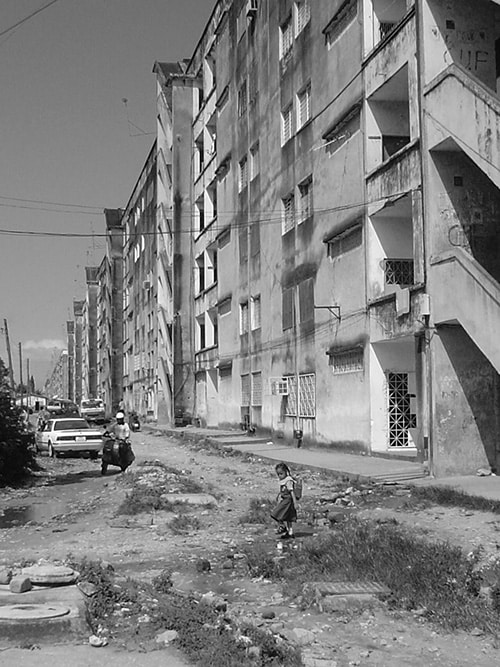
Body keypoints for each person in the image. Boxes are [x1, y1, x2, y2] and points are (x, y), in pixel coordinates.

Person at [270, 462, 298, 539]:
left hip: (288, 501)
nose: (280, 476)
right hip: (285, 500)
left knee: (277, 513)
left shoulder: (288, 481)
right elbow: (282, 490)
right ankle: (290, 532)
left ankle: (282, 526)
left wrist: (295, 502)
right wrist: (279, 496)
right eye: (278, 474)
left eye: (281, 474)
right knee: (288, 517)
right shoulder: (284, 480)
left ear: (286, 472)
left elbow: (291, 492)